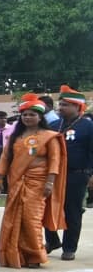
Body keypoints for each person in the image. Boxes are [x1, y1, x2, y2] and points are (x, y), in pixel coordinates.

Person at [0, 95, 66, 268]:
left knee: (32, 219)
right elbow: (5, 159)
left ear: (40, 117)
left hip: (39, 183)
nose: (28, 118)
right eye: (25, 115)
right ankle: (15, 254)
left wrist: (50, 182)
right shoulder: (15, 137)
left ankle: (35, 256)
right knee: (13, 219)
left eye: (32, 115)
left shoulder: (50, 137)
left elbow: (54, 161)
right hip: (16, 182)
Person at [45, 86, 93, 260]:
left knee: (72, 210)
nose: (61, 107)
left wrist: (91, 174)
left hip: (77, 174)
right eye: (60, 104)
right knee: (47, 207)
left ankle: (69, 247)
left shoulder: (88, 126)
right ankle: (51, 241)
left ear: (76, 107)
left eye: (65, 105)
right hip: (53, 174)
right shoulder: (53, 125)